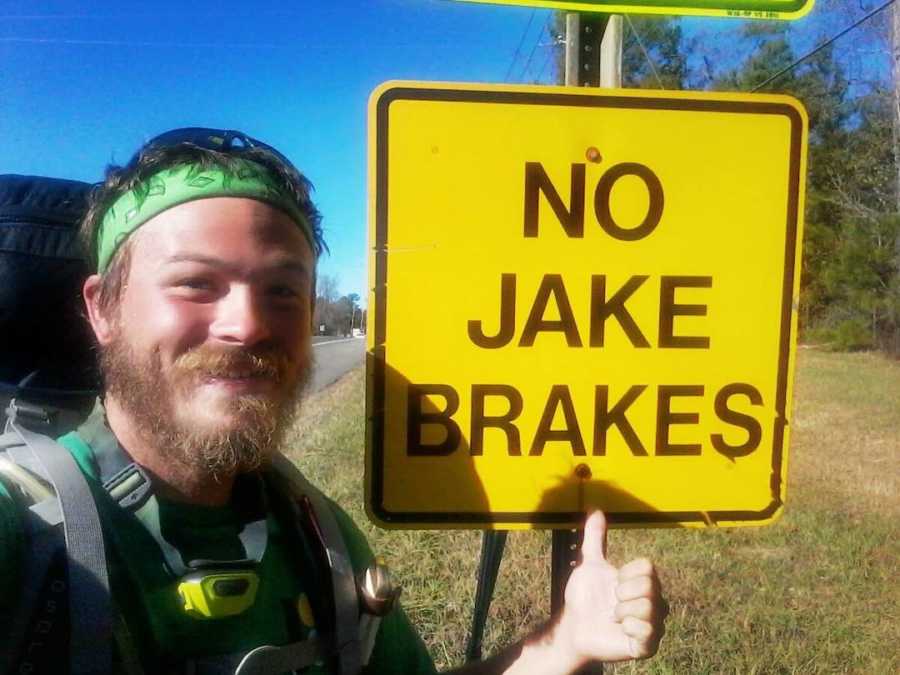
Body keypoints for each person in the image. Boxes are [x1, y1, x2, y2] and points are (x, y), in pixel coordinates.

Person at [0, 128, 667, 674]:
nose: (249, 323)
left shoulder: (316, 534)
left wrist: (565, 640)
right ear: (102, 307)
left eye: (283, 291)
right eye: (197, 283)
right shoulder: (24, 529)